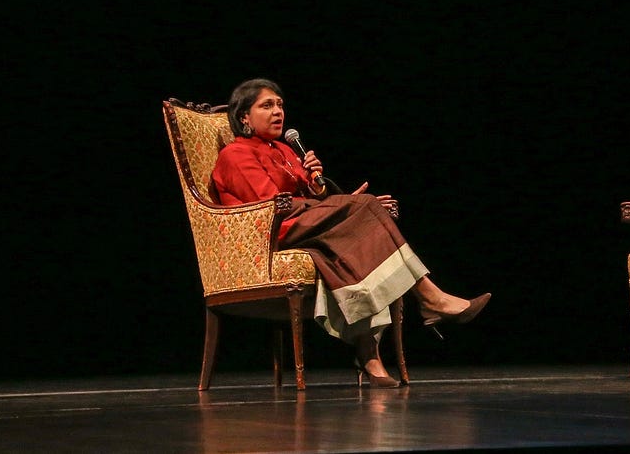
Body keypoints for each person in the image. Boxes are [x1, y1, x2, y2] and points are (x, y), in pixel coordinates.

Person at [210, 78, 490, 387]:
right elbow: (274, 205)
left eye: (280, 105)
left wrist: (319, 187)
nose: (278, 112)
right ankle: (428, 299)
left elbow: (311, 200)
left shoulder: (286, 150)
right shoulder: (235, 155)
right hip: (272, 232)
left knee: (366, 227)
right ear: (244, 118)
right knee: (366, 208)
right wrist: (341, 206)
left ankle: (370, 352)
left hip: (305, 224)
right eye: (267, 106)